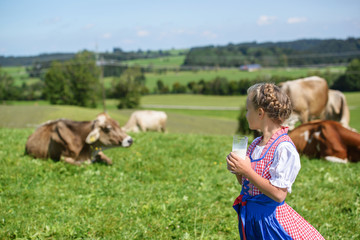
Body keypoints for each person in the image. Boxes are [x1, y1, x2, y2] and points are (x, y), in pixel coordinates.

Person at [226, 83, 324, 240]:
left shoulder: (283, 148)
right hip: (252, 218)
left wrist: (247, 170)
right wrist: (238, 169)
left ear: (260, 113)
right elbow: (247, 184)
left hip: (270, 222)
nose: (245, 115)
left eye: (247, 110)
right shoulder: (255, 144)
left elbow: (279, 195)